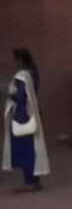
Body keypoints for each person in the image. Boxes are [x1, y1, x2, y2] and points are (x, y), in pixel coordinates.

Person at [2, 48, 49, 194]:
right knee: (33, 148)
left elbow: (20, 96)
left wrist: (6, 92)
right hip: (32, 113)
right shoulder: (33, 73)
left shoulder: (22, 76)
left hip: (22, 115)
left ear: (20, 60)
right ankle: (34, 181)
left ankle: (30, 182)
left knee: (25, 150)